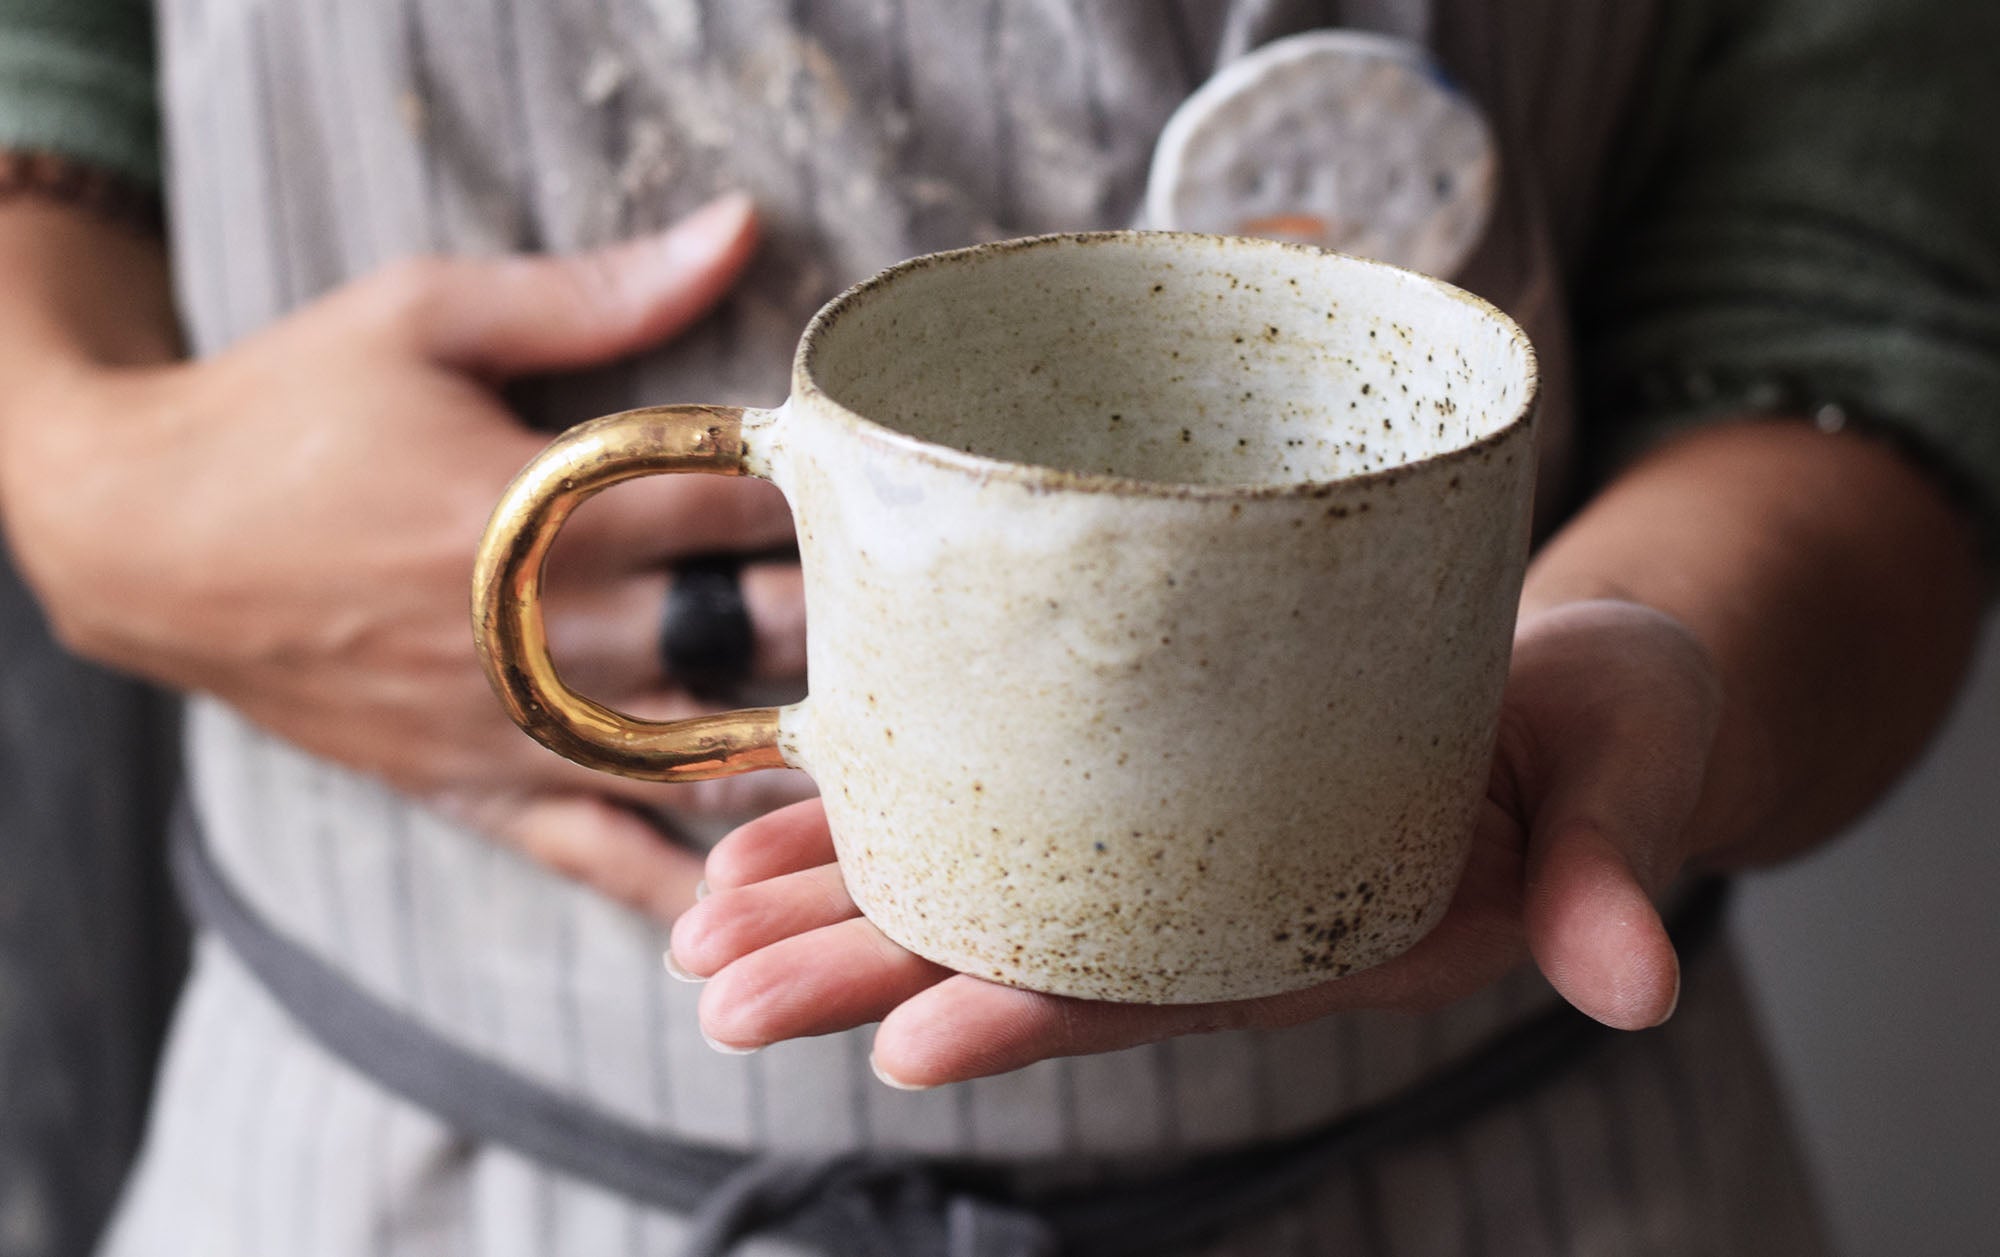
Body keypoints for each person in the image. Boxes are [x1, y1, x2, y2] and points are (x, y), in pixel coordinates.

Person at [0, 0, 1995, 1254]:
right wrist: (84, 475)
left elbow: (1854, 321)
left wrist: (1655, 645)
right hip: (417, 1166)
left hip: (1500, 1174)